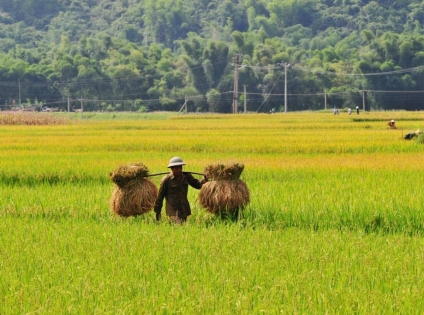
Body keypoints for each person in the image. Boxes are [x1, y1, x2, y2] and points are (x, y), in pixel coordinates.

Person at [154, 157, 207, 224]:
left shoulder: (187, 177)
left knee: (183, 227)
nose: (179, 170)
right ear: (172, 168)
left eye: (180, 167)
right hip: (173, 210)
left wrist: (205, 180)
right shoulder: (166, 180)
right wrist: (157, 212)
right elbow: (160, 197)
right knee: (178, 226)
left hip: (184, 209)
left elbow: (198, 185)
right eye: (176, 168)